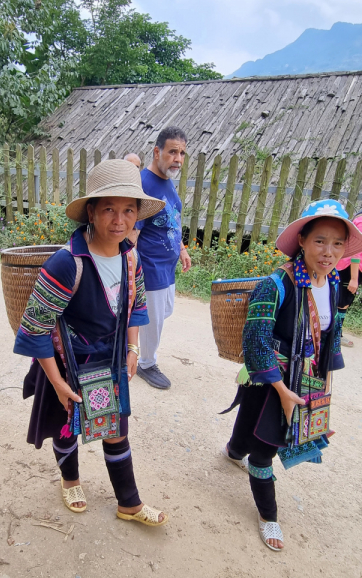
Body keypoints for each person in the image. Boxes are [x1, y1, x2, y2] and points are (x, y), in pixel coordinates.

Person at [13, 159, 168, 525]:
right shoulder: (67, 263)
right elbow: (35, 328)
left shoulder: (131, 257)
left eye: (129, 210)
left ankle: (128, 502)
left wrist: (132, 349)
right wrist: (57, 382)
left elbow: (137, 307)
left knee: (116, 430)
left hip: (110, 360)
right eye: (109, 209)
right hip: (67, 362)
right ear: (92, 212)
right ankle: (70, 480)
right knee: (67, 426)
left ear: (137, 215)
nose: (120, 220)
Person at [221, 199, 362, 552]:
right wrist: (283, 392)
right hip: (272, 378)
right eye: (320, 241)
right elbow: (255, 344)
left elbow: (331, 338)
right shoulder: (275, 285)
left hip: (305, 378)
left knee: (249, 423)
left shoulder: (332, 286)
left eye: (337, 243)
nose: (328, 252)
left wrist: (324, 388)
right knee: (264, 448)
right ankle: (268, 516)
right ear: (301, 240)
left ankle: (233, 450)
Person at [135, 126, 191, 390]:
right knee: (152, 319)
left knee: (163, 313)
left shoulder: (167, 182)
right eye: (172, 152)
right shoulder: (144, 185)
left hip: (167, 266)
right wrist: (130, 270)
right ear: (157, 152)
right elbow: (132, 235)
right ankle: (145, 363)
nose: (178, 159)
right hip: (150, 266)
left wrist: (181, 249)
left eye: (181, 153)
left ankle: (134, 348)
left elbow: (171, 220)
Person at [336, 210, 362, 347]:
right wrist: (354, 278)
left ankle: (336, 333)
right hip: (350, 268)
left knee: (345, 301)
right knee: (343, 301)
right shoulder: (361, 221)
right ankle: (336, 335)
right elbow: (356, 252)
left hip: (355, 268)